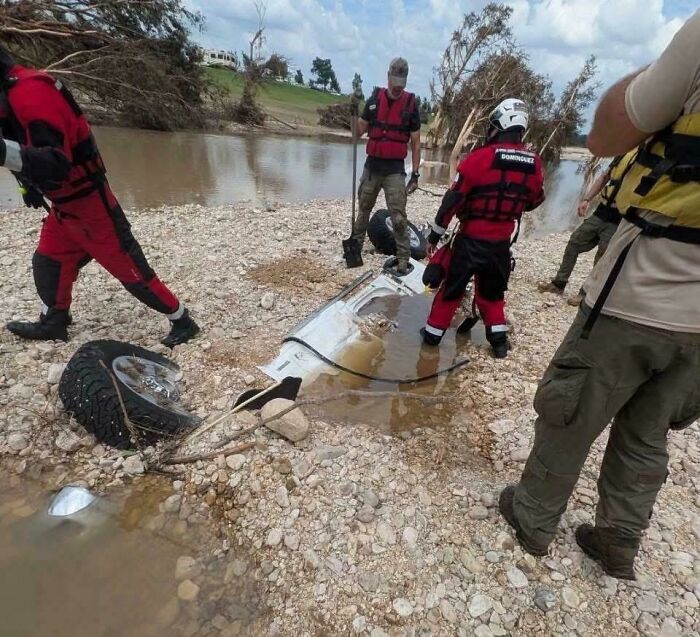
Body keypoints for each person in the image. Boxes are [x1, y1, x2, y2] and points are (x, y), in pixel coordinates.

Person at [499, 10, 700, 581]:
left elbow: (608, 130)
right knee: (647, 431)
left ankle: (534, 519)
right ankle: (618, 541)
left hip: (640, 295)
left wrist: (661, 69)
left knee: (572, 411)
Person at [0, 46, 199, 346]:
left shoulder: (30, 92)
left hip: (91, 205)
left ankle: (182, 321)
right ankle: (54, 321)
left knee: (134, 274)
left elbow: (55, 162)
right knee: (48, 262)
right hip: (63, 209)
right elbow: (19, 144)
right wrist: (25, 187)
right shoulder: (8, 96)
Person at [421, 98, 545, 358]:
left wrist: (435, 234)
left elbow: (452, 202)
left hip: (469, 241)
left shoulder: (478, 159)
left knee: (451, 292)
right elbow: (534, 201)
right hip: (500, 244)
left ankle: (431, 338)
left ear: (498, 126)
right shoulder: (535, 165)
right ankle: (499, 344)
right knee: (492, 295)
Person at [343, 57, 421, 273]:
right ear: (388, 77)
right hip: (372, 167)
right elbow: (356, 134)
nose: (397, 88)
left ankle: (403, 257)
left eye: (401, 84)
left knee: (398, 216)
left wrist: (415, 174)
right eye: (394, 83)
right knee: (364, 209)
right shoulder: (373, 101)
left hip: (395, 170)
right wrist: (353, 111)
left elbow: (416, 143)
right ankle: (355, 246)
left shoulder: (411, 104)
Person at [538, 152, 634, 306]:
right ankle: (558, 284)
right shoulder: (623, 155)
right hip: (601, 212)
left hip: (620, 219)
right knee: (574, 243)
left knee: (603, 258)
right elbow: (604, 177)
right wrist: (586, 199)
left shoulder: (648, 160)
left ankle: (587, 294)